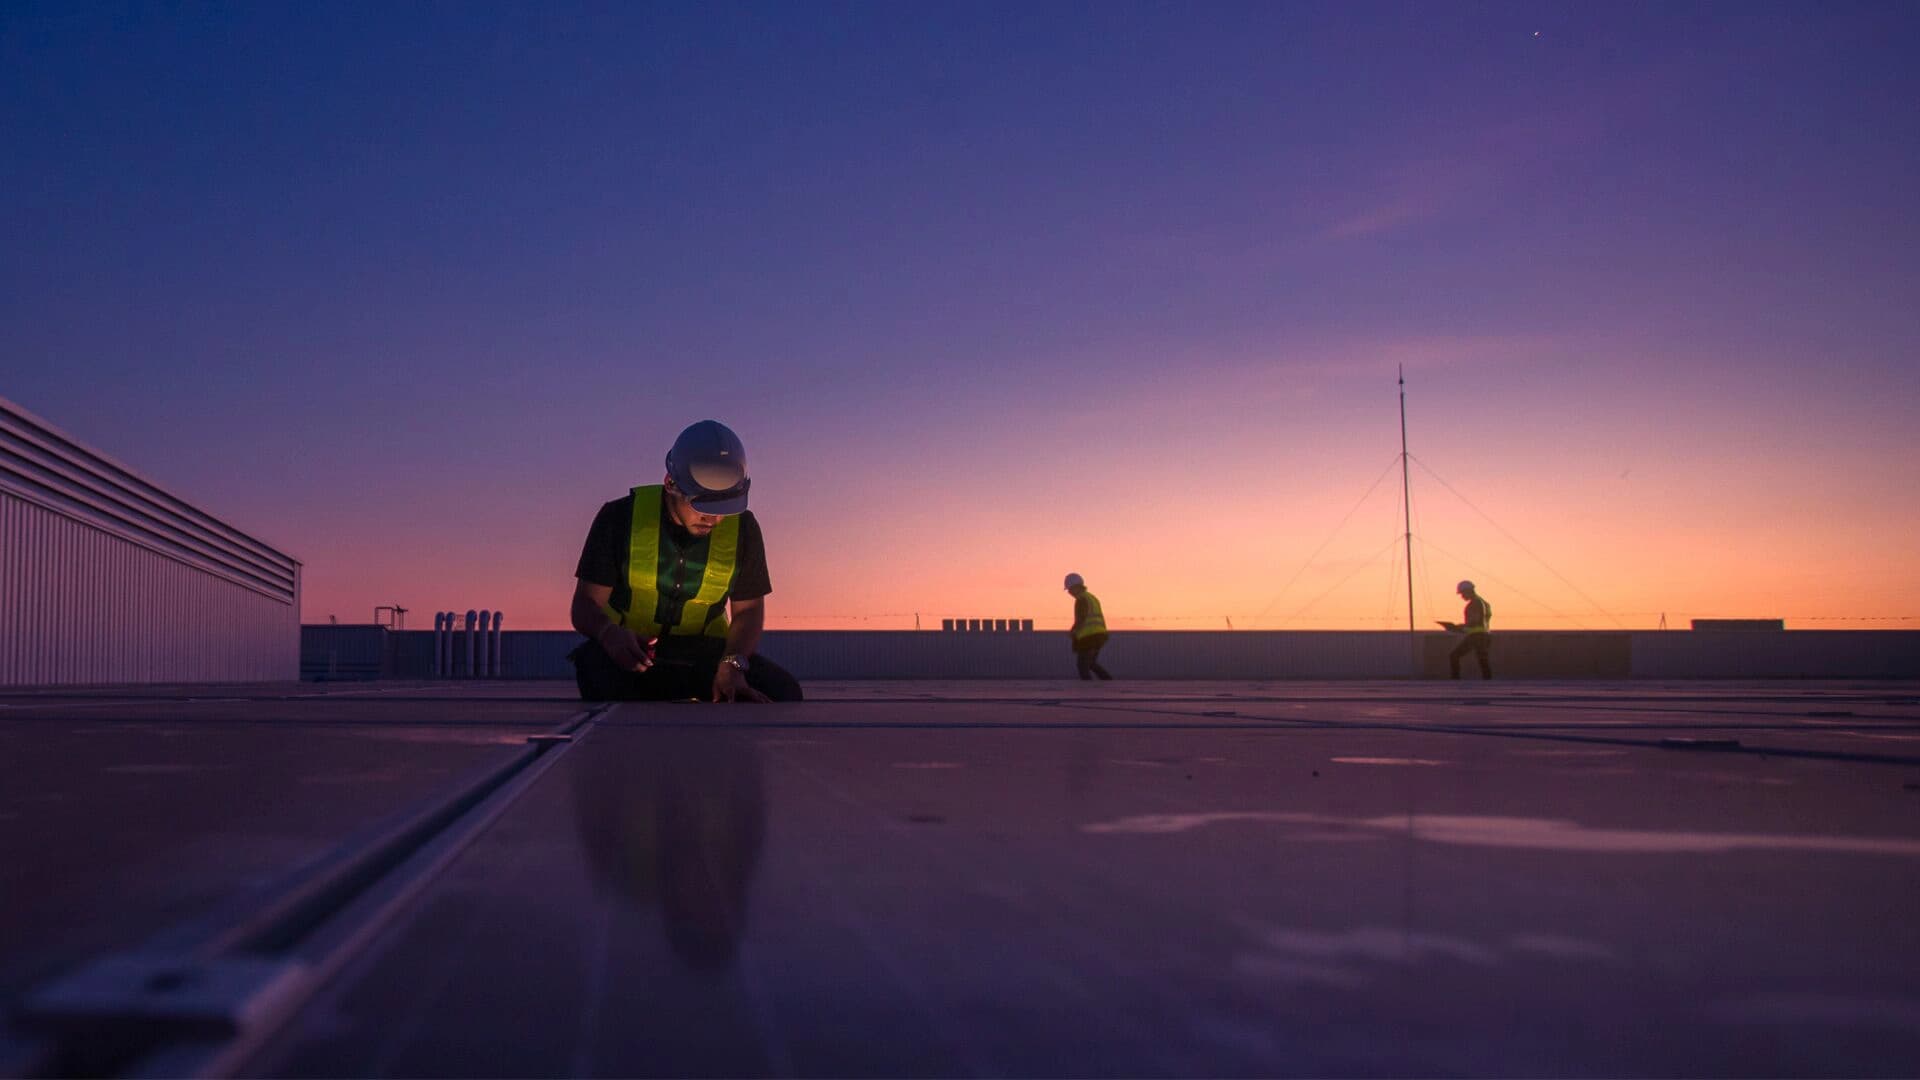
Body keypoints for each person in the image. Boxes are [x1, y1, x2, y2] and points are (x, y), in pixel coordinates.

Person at [567, 420, 803, 702]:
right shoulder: (619, 518)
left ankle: (701, 685)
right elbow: (584, 605)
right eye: (702, 506)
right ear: (671, 484)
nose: (714, 519)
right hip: (631, 653)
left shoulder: (744, 529)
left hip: (705, 656)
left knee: (782, 692)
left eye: (724, 508)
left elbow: (749, 611)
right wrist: (608, 634)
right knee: (597, 674)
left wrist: (733, 663)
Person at [1064, 573, 1112, 680]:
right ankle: (1109, 683)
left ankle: (1087, 690)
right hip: (1100, 635)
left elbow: (1081, 618)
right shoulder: (1091, 597)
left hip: (1089, 637)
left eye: (1070, 589)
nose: (1069, 593)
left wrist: (1073, 632)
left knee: (1082, 666)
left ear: (1076, 587)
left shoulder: (1081, 599)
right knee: (1091, 663)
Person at [1441, 579, 1493, 679]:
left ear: (1468, 591)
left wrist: (1456, 628)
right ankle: (1488, 681)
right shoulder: (1484, 603)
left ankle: (1455, 680)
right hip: (1485, 635)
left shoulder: (1474, 604)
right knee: (1483, 660)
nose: (1462, 596)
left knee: (1454, 656)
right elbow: (1480, 621)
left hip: (1476, 636)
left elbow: (1474, 622)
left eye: (1462, 593)